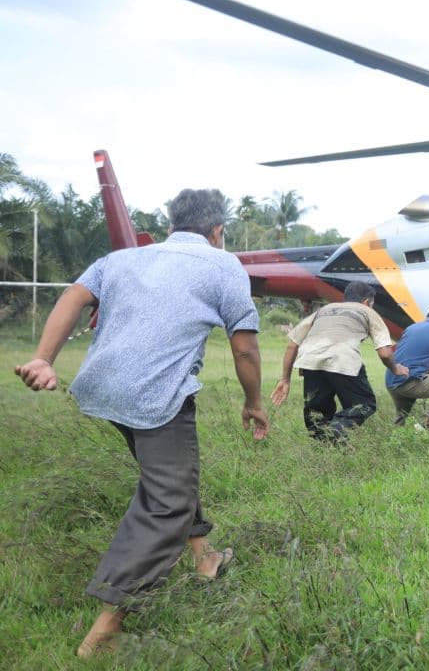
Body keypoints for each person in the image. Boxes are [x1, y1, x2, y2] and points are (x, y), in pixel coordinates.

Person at [13, 188, 267, 658]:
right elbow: (246, 347)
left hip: (102, 388)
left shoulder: (122, 259)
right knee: (168, 498)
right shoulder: (222, 263)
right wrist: (255, 402)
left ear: (170, 226)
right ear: (217, 231)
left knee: (168, 474)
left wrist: (43, 358)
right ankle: (105, 629)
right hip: (155, 394)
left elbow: (74, 295)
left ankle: (205, 557)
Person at [270, 281, 404, 441]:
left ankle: (325, 448)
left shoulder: (324, 310)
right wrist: (395, 369)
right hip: (343, 357)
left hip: (311, 361)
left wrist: (285, 379)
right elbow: (385, 353)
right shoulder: (369, 312)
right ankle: (336, 431)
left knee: (317, 414)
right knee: (364, 404)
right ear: (367, 302)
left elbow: (292, 345)